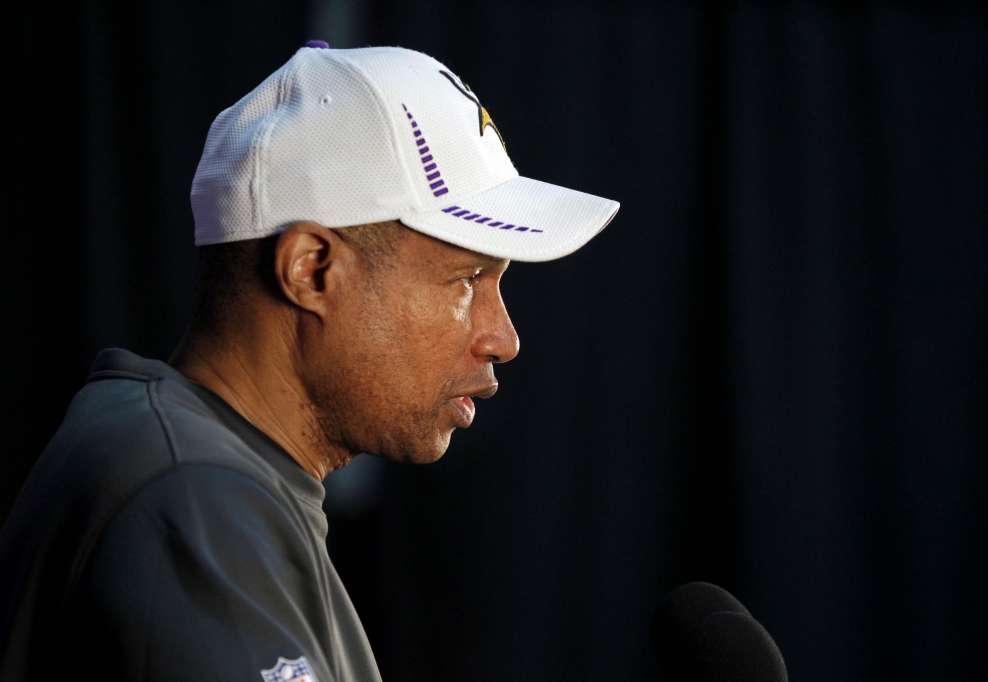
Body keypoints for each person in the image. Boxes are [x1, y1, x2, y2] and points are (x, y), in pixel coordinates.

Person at [0, 43, 618, 682]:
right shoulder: (190, 498)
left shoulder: (194, 469)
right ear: (312, 270)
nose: (503, 338)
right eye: (466, 279)